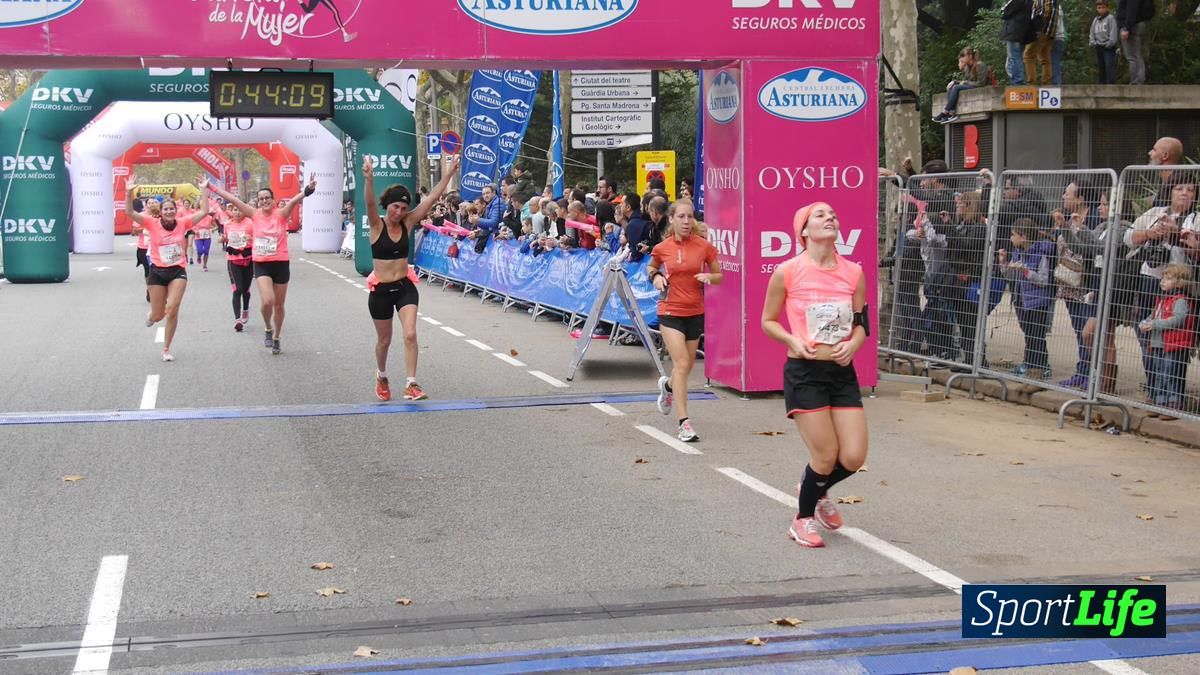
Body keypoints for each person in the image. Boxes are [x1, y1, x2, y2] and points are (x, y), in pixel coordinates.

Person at [761, 202, 869, 549]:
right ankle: (802, 519)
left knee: (853, 457)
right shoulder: (788, 271)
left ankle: (814, 485)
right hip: (804, 371)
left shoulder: (853, 272)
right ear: (804, 231)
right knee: (825, 455)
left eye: (834, 214)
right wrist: (793, 339)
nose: (830, 218)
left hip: (840, 371)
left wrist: (854, 344)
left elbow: (862, 324)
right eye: (820, 215)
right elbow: (768, 321)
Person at [362, 155, 461, 402]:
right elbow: (370, 203)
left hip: (405, 286)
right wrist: (369, 178)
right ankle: (382, 375)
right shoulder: (377, 226)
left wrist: (448, 173)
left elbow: (432, 198)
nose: (400, 212)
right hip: (381, 291)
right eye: (396, 206)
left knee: (410, 334)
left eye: (404, 208)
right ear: (388, 205)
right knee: (384, 341)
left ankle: (411, 383)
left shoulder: (408, 223)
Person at [210, 179, 317, 355]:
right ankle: (268, 327)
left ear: (273, 200)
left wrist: (308, 189)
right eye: (261, 199)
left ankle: (276, 336)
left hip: (281, 263)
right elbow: (232, 199)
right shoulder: (254, 214)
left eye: (268, 198)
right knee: (268, 300)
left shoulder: (281, 214)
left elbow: (293, 200)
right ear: (258, 202)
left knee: (279, 305)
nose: (265, 201)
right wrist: (211, 187)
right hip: (261, 263)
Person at [647, 198, 721, 442]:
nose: (687, 221)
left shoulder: (703, 246)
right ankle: (684, 423)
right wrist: (656, 277)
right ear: (671, 219)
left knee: (686, 367)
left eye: (690, 217)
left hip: (695, 311)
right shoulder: (662, 247)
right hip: (669, 311)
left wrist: (710, 278)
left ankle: (668, 387)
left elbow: (719, 274)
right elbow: (651, 268)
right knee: (681, 363)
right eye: (681, 217)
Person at [126, 178, 211, 362]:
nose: (169, 211)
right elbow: (129, 212)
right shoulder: (151, 223)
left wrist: (204, 190)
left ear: (176, 210)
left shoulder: (183, 223)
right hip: (157, 271)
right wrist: (128, 192)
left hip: (177, 271)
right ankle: (152, 315)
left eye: (172, 208)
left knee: (172, 309)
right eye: (166, 209)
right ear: (161, 212)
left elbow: (205, 211)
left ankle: (166, 348)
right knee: (158, 315)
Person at [998, 219, 1056, 379]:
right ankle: (1029, 363)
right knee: (1028, 333)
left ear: (1023, 237)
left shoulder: (1041, 254)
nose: (1011, 238)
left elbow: (1043, 280)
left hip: (1037, 300)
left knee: (1036, 334)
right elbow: (1012, 276)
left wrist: (1026, 271)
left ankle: (1041, 365)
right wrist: (1004, 265)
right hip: (1021, 298)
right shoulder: (1017, 252)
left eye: (1013, 235)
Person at [1138, 264, 1195, 420]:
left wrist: (1155, 324)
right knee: (1159, 373)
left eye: (1168, 279)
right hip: (1158, 343)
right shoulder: (1162, 299)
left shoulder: (1180, 300)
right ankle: (1160, 401)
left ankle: (1174, 404)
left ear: (1180, 282)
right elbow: (1153, 316)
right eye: (1163, 278)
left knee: (1171, 374)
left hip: (1174, 344)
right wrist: (1145, 322)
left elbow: (1178, 319)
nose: (1163, 281)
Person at [221, 201, 255, 332]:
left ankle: (245, 309)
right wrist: (222, 239)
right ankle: (237, 319)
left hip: (248, 259)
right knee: (237, 290)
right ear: (231, 211)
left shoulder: (250, 223)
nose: (237, 212)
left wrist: (250, 238)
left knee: (246, 290)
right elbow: (225, 237)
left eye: (239, 210)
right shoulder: (228, 224)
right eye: (234, 210)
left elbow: (258, 238)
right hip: (233, 260)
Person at [934, 47, 989, 124]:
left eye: (963, 55)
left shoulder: (980, 65)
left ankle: (945, 112)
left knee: (956, 87)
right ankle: (951, 114)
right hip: (972, 87)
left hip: (981, 88)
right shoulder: (967, 68)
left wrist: (963, 83)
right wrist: (954, 81)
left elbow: (981, 83)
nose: (961, 58)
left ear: (970, 56)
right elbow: (965, 82)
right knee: (952, 86)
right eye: (961, 56)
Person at [1024, 0, 1061, 86]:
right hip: (1050, 32)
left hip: (1042, 30)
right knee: (1045, 59)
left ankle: (1031, 84)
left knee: (1028, 56)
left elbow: (1045, 12)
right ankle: (1047, 84)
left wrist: (1037, 28)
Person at [1117, 0, 1153, 85]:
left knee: (1132, 56)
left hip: (1131, 25)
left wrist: (1127, 28)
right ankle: (1138, 80)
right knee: (1135, 54)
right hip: (1135, 24)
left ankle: (1136, 81)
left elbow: (1132, 9)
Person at [1002, 0, 1033, 85]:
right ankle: (1017, 80)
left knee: (1014, 57)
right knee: (1014, 58)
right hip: (1022, 32)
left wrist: (1004, 10)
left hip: (1014, 31)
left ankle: (1018, 81)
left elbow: (1005, 11)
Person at [1090, 1, 1120, 84]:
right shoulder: (1096, 20)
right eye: (1099, 8)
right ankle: (1101, 83)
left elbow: (1113, 32)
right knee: (1101, 66)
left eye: (1103, 7)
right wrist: (1093, 42)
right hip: (1098, 46)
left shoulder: (1110, 18)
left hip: (1108, 47)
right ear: (1097, 9)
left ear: (1107, 8)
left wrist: (1110, 43)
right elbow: (1092, 32)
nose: (1101, 9)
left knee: (1109, 66)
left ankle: (1110, 83)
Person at [193, 200, 216, 271]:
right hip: (198, 236)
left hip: (207, 236)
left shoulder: (209, 217)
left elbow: (215, 226)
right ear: (200, 206)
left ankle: (205, 265)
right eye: (202, 205)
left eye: (205, 205)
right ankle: (199, 256)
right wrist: (195, 231)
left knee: (206, 251)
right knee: (200, 250)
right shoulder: (196, 215)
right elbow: (191, 225)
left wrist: (213, 229)